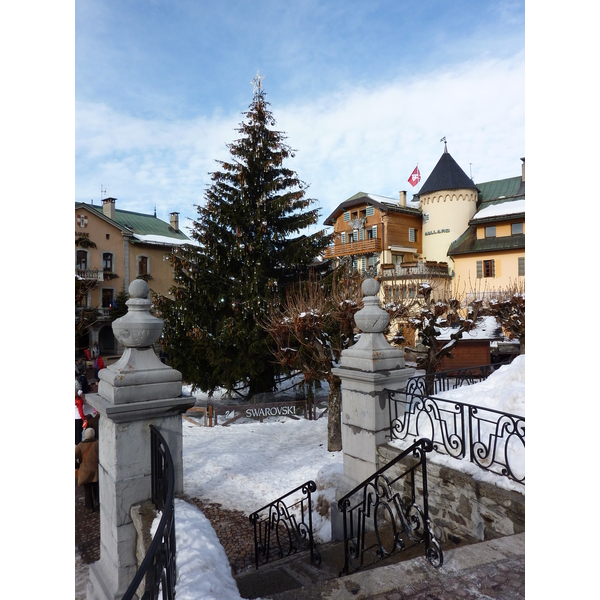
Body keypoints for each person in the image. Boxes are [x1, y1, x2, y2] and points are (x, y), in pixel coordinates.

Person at [75, 427, 99, 512]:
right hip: (96, 469)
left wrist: (77, 465)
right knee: (96, 487)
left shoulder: (80, 445)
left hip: (85, 470)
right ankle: (97, 502)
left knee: (87, 489)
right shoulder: (98, 443)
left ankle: (90, 507)